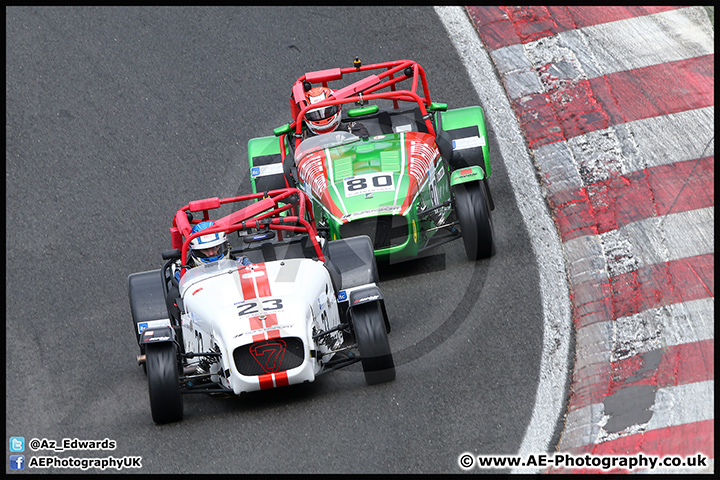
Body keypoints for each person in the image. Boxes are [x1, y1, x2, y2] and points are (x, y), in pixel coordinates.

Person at [174, 221, 251, 282]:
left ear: (225, 245)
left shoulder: (242, 263)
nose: (211, 253)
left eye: (215, 247)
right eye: (205, 250)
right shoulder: (184, 274)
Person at [302, 86, 369, 139]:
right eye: (315, 115)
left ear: (338, 108)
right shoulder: (302, 137)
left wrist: (349, 140)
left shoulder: (354, 127)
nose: (322, 120)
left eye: (327, 112)